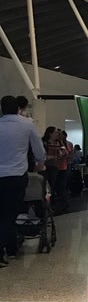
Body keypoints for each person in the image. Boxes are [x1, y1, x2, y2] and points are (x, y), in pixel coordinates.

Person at [0, 96, 46, 264]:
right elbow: (39, 151)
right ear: (19, 108)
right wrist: (40, 161)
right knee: (10, 214)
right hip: (17, 176)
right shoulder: (27, 124)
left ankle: (10, 248)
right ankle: (8, 250)